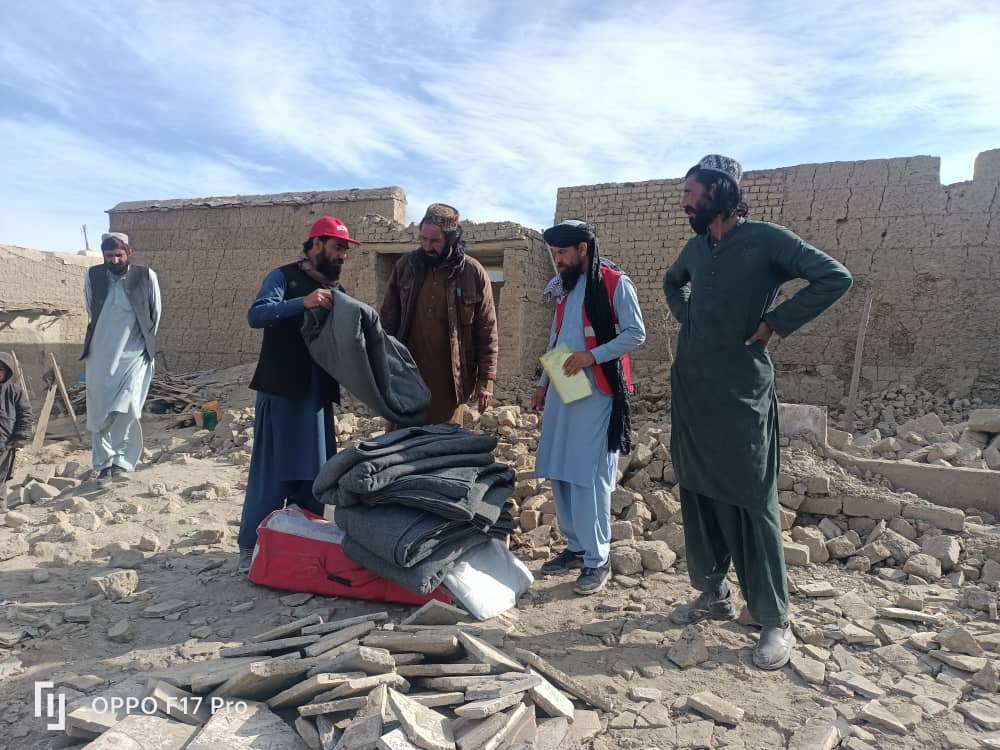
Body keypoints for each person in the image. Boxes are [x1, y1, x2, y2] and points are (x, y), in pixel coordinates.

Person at [663, 154, 853, 669]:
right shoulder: (698, 248)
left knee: (751, 498)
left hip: (741, 394)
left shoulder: (767, 240)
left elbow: (835, 278)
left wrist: (774, 323)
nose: (683, 202)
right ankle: (712, 592)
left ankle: (774, 618)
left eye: (690, 192)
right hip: (694, 391)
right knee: (698, 491)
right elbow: (670, 282)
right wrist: (689, 322)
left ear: (719, 191)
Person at [237, 216, 360, 572]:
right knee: (272, 475)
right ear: (317, 244)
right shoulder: (283, 277)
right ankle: (253, 547)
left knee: (314, 477)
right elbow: (257, 315)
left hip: (316, 398)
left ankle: (302, 547)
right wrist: (301, 303)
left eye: (346, 250)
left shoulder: (338, 292)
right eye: (338, 248)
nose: (343, 256)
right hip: (280, 393)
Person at [532, 220, 645, 595]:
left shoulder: (615, 282)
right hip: (563, 386)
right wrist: (542, 384)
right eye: (554, 254)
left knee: (588, 475)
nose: (558, 260)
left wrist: (591, 357)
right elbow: (557, 335)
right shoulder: (564, 288)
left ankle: (598, 560)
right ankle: (575, 547)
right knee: (560, 470)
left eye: (563, 253)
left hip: (597, 389)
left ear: (583, 249)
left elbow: (635, 333)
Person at [380, 203, 498, 425]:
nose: (427, 246)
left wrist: (486, 379)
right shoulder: (405, 267)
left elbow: (487, 329)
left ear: (452, 239)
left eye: (434, 241)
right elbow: (387, 321)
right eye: (423, 239)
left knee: (443, 450)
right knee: (399, 446)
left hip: (450, 384)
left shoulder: (473, 273)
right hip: (406, 378)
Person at [82, 232, 161, 485]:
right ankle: (104, 463)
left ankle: (123, 461)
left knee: (129, 406)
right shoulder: (93, 276)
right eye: (109, 255)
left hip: (135, 352)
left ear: (129, 253)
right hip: (101, 352)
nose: (114, 260)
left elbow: (154, 314)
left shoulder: (146, 276)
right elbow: (90, 308)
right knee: (99, 411)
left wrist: (145, 343)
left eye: (119, 255)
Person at [0, 352, 34, 509]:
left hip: (4, 444)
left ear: (7, 372)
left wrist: (20, 436)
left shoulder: (14, 392)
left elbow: (25, 415)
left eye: (1, 369)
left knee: (1, 476)